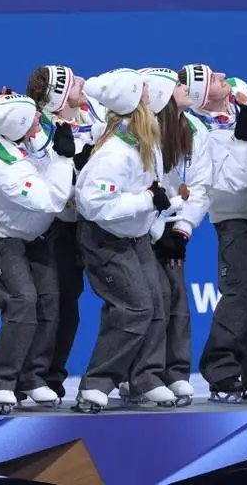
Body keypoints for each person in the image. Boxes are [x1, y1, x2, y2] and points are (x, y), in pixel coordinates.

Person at [73, 68, 175, 413]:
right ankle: (96, 385)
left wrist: (155, 216)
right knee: (134, 307)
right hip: (105, 240)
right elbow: (93, 204)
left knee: (158, 302)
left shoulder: (144, 141)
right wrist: (147, 201)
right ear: (135, 108)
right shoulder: (114, 154)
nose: (153, 97)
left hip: (134, 236)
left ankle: (144, 379)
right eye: (145, 94)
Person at [0, 93, 76, 414]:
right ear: (18, 125)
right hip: (4, 237)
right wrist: (63, 158)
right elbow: (52, 200)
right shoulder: (2, 167)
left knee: (50, 299)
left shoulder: (25, 133)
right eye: (33, 116)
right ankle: (0, 383)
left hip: (37, 234)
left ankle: (33, 378)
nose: (39, 119)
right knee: (23, 300)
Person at [185, 65, 247, 403]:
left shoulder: (238, 89)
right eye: (213, 78)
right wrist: (243, 133)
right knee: (237, 296)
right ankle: (220, 372)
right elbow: (228, 184)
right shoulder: (201, 134)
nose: (222, 75)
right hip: (235, 218)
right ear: (205, 97)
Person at [24, 65, 98, 401]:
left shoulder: (90, 118)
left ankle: (52, 377)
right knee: (48, 302)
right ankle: (31, 377)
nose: (82, 81)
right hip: (49, 229)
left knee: (69, 304)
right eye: (73, 80)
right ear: (58, 95)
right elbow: (43, 183)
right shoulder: (38, 129)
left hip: (79, 227)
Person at [139, 67, 209, 408]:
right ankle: (141, 374)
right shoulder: (144, 129)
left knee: (176, 296)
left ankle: (176, 372)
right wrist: (154, 226)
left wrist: (182, 229)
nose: (185, 88)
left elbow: (199, 186)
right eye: (178, 85)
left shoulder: (196, 129)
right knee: (151, 299)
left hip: (174, 226)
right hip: (142, 225)